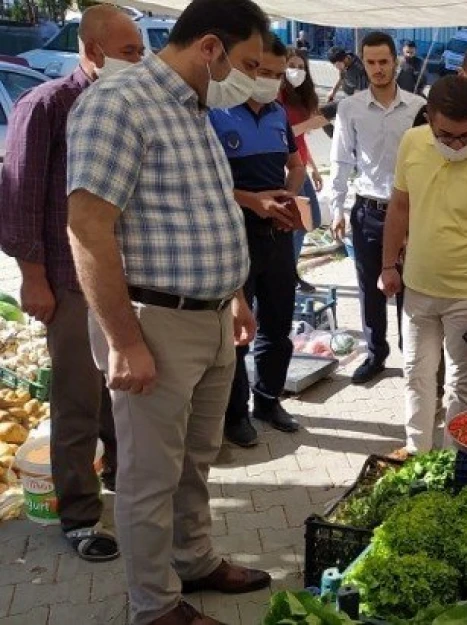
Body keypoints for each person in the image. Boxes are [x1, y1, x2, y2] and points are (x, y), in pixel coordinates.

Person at [65, 1, 273, 622]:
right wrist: (124, 341)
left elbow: (205, 209)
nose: (255, 79)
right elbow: (88, 227)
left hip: (209, 320)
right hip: (153, 324)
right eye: (249, 64)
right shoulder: (118, 103)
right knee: (150, 478)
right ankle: (153, 606)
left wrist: (233, 296)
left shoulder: (195, 108)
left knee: (194, 459)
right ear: (210, 48)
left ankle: (194, 558)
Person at [0, 3, 141, 565]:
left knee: (121, 392)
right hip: (67, 279)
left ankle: (121, 485)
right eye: (131, 51)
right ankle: (79, 516)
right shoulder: (48, 105)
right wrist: (34, 279)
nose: (140, 60)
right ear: (94, 49)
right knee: (78, 402)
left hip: (122, 278)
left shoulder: (124, 105)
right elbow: (19, 199)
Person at [379, 75, 467, 457]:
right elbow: (400, 208)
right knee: (416, 376)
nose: (456, 146)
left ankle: (455, 465)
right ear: (429, 119)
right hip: (417, 290)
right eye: (446, 136)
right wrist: (388, 265)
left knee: (462, 386)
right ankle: (418, 455)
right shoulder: (412, 143)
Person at [209, 36, 307, 447]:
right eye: (260, 71)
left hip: (277, 234)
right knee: (237, 329)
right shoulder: (214, 113)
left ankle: (268, 399)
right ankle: (235, 414)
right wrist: (254, 201)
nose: (267, 80)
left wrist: (287, 198)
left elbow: (296, 163)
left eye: (276, 74)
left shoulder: (278, 113)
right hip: (234, 235)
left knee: (278, 323)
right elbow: (207, 186)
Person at [330, 32, 423, 385]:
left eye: (384, 61)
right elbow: (340, 160)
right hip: (368, 210)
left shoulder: (417, 108)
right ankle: (375, 354)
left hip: (411, 212)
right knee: (370, 286)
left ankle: (411, 354)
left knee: (409, 287)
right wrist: (337, 209)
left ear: (396, 61)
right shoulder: (349, 108)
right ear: (362, 63)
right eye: (371, 62)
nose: (378, 69)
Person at [280, 49, 328, 293]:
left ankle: (289, 271)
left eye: (301, 66)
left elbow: (301, 142)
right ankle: (286, 272)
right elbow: (284, 135)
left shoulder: (301, 98)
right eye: (292, 65)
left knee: (309, 220)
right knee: (302, 220)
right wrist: (311, 123)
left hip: (300, 166)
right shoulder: (277, 97)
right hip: (285, 169)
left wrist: (315, 169)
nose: (296, 71)